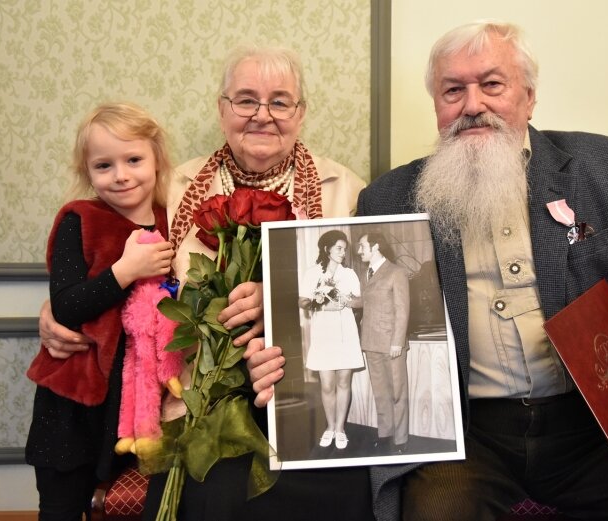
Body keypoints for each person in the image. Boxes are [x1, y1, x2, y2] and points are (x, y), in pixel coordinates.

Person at [248, 20, 608, 521]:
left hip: (594, 426)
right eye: (453, 90)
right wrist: (285, 350)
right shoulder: (388, 198)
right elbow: (364, 307)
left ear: (529, 97)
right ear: (437, 105)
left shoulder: (604, 168)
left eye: (491, 84)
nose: (472, 105)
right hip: (470, 435)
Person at [38, 46, 374, 521]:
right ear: (222, 110)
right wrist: (53, 310)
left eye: (280, 102)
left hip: (308, 394)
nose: (263, 115)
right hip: (196, 400)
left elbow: (367, 298)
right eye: (245, 101)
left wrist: (278, 299)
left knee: (341, 492)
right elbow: (107, 260)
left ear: (300, 114)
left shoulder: (348, 190)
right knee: (214, 498)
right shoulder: (170, 186)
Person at [25, 102, 176, 521]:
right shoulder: (80, 220)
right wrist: (125, 271)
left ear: (157, 160)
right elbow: (67, 305)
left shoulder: (173, 219)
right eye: (104, 165)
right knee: (62, 507)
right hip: (73, 404)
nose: (121, 175)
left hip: (137, 403)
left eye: (133, 160)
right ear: (87, 171)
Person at [298, 229, 363, 450]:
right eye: (339, 248)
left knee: (344, 381)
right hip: (324, 333)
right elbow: (303, 302)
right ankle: (329, 427)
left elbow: (360, 301)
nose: (343, 253)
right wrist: (320, 303)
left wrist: (348, 302)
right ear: (327, 249)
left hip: (345, 331)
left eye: (345, 249)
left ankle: (340, 429)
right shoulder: (312, 273)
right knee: (327, 385)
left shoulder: (349, 274)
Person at [356, 232, 410, 454]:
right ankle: (386, 435)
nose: (359, 251)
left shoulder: (396, 272)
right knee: (381, 393)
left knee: (398, 392)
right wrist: (343, 300)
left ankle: (401, 440)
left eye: (362, 246)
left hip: (391, 344)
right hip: (371, 343)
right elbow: (368, 302)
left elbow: (403, 309)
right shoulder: (369, 274)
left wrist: (397, 341)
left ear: (376, 246)